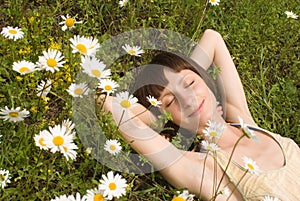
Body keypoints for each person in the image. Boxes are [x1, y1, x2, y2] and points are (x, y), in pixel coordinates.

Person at [99, 29, 300, 201]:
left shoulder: (245, 122)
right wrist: (156, 118)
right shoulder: (203, 168)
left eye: (191, 83)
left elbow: (213, 38)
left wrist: (180, 76)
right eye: (171, 101)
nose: (188, 99)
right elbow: (106, 103)